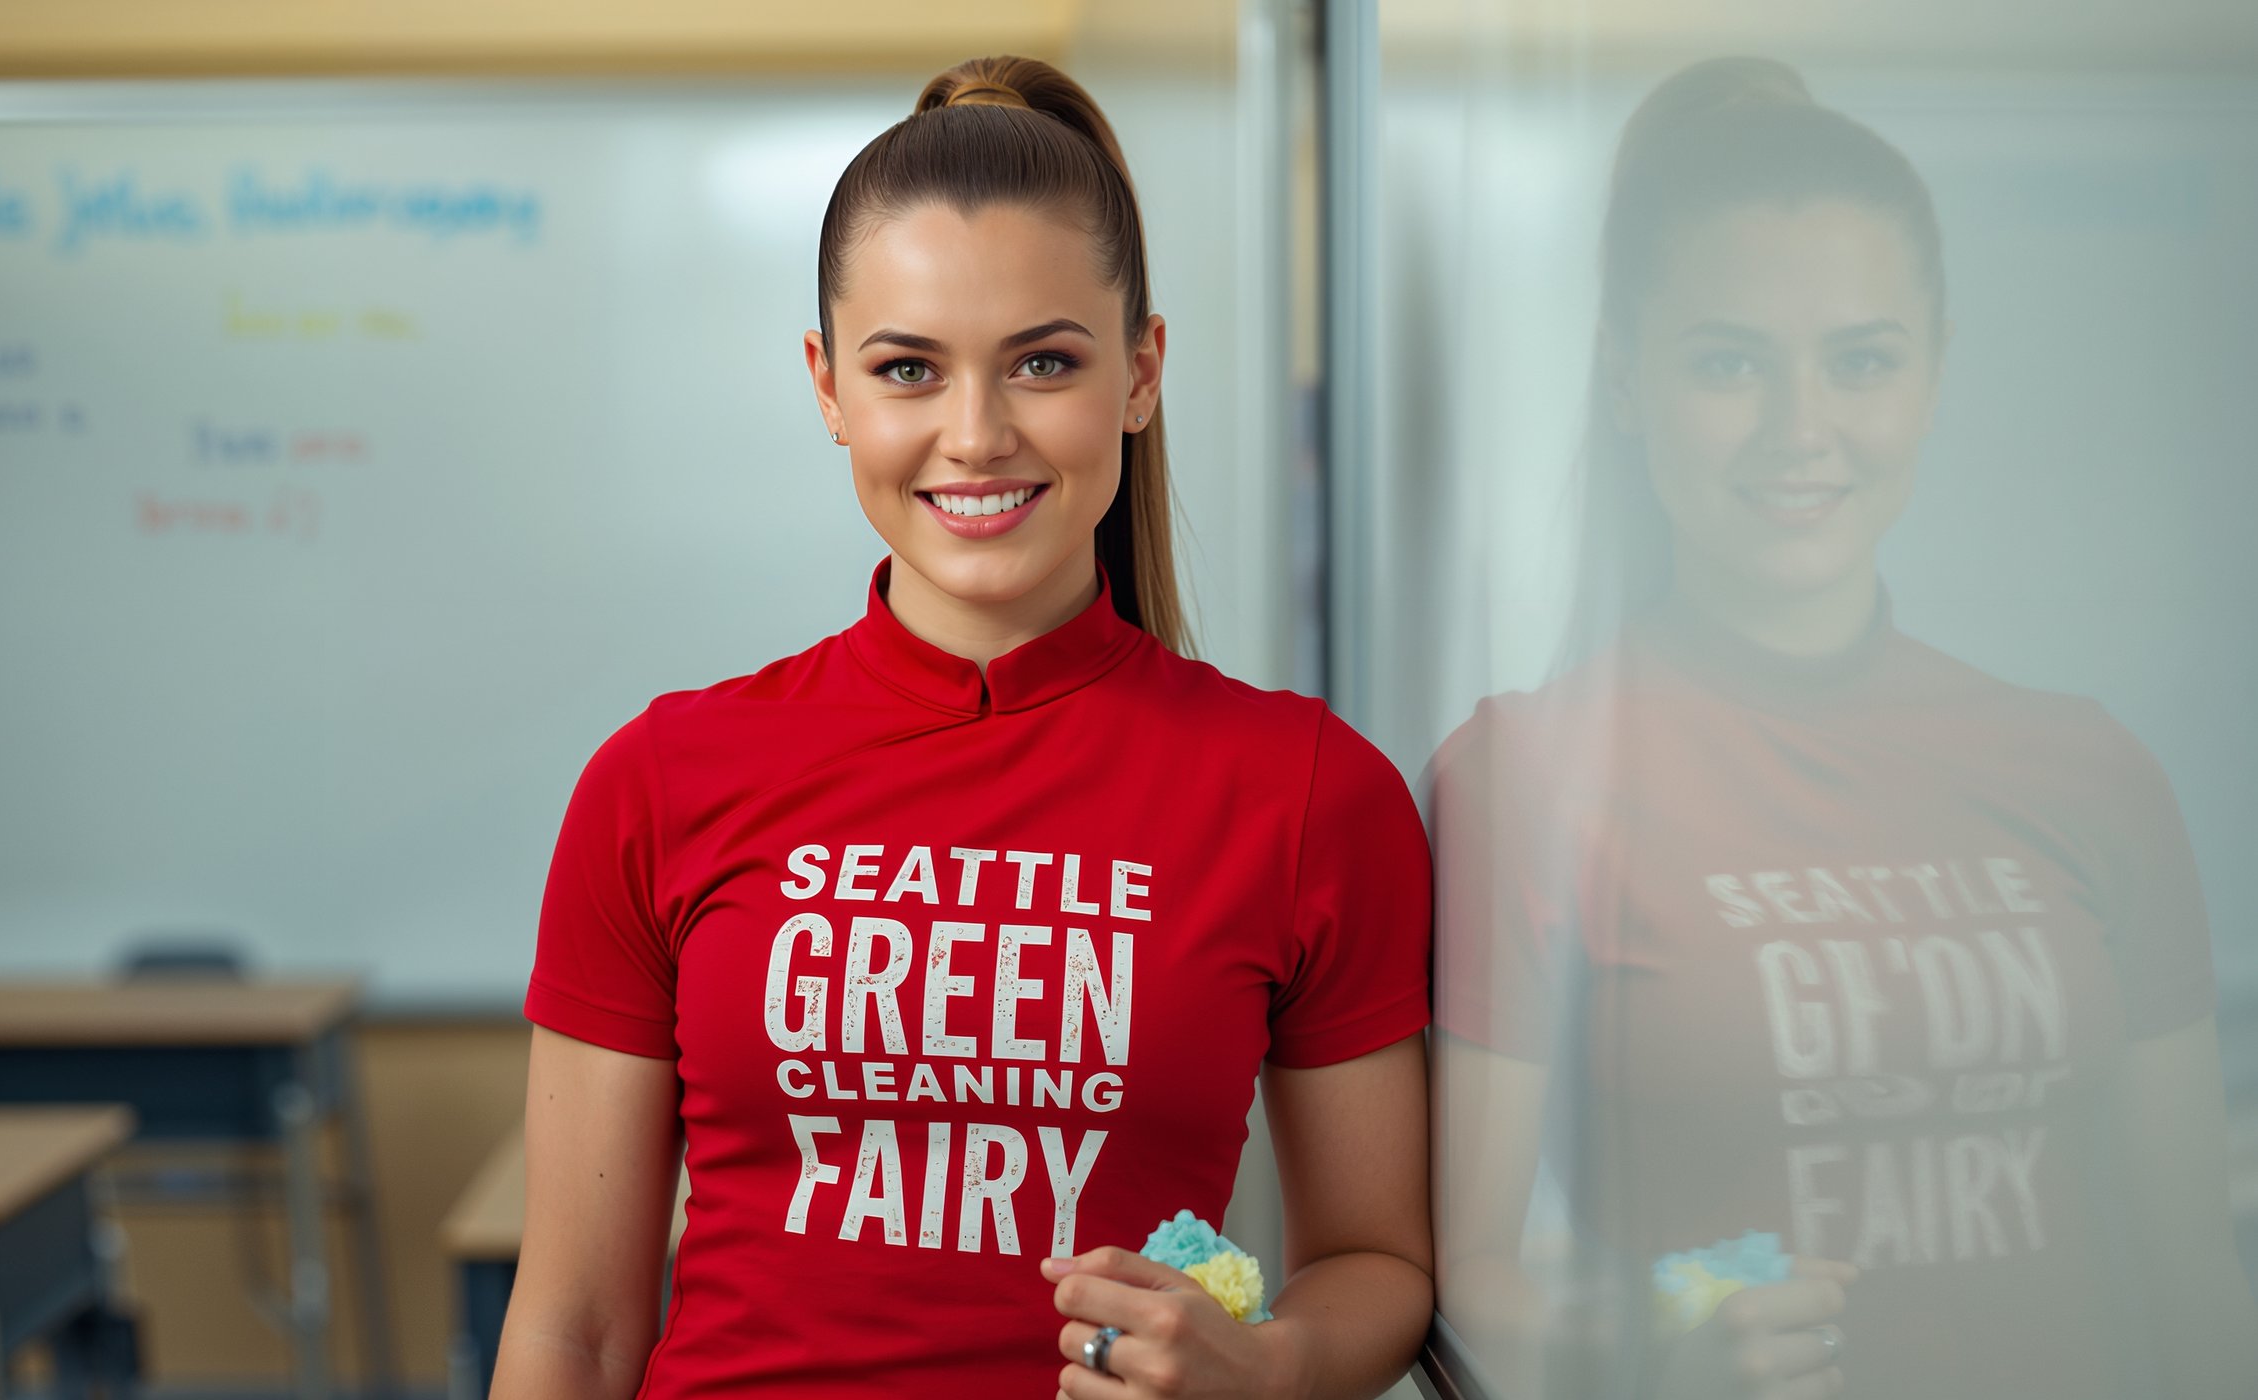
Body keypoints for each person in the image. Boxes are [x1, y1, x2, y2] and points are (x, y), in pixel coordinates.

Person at [496, 55, 1434, 1400]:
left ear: (1141, 371)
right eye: (908, 369)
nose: (976, 433)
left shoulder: (1305, 793)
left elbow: (1376, 1260)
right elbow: (575, 1329)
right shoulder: (660, 782)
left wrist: (1268, 1367)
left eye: (1043, 362)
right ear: (829, 388)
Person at [1427, 57, 2258, 1400]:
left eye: (1860, 361)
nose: (1800, 429)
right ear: (1628, 382)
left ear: (1932, 377)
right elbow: (1459, 1291)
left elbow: (2195, 1296)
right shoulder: (1524, 780)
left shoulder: (2090, 771)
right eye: (1727, 364)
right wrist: (1631, 1360)